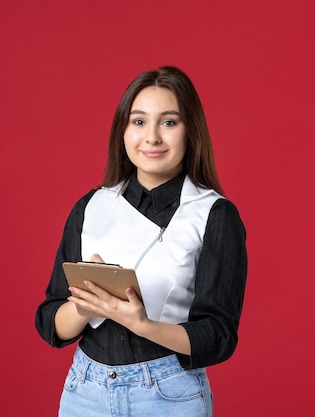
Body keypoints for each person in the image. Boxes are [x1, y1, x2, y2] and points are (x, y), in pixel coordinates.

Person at [35, 66, 247, 417]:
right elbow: (50, 322)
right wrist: (86, 304)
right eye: (138, 122)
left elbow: (219, 336)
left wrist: (142, 324)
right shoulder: (91, 207)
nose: (151, 137)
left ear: (190, 131)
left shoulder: (213, 214)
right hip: (85, 391)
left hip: (168, 394)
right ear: (122, 130)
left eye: (168, 122)